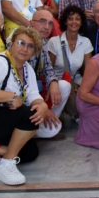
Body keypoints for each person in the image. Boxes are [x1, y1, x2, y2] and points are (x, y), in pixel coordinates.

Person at [0, 27, 57, 185]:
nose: (24, 49)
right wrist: (11, 97)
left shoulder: (27, 68)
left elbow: (34, 95)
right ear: (12, 43)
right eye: (21, 43)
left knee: (30, 153)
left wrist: (41, 106)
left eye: (30, 46)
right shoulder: (0, 62)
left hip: (4, 122)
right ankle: (6, 163)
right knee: (29, 115)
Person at [28, 9, 72, 140]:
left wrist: (53, 83)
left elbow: (48, 69)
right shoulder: (24, 43)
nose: (46, 27)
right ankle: (28, 131)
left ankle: (43, 124)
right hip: (21, 99)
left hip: (36, 92)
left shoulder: (44, 43)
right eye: (42, 22)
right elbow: (22, 84)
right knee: (53, 130)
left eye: (50, 23)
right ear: (31, 23)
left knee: (63, 85)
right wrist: (42, 106)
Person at [47, 5, 93, 117]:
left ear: (82, 22)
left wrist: (85, 88)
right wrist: (56, 86)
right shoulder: (54, 41)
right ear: (65, 21)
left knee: (94, 89)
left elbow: (88, 71)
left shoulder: (85, 42)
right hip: (57, 81)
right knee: (67, 90)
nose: (74, 22)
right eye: (70, 18)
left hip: (74, 79)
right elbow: (48, 69)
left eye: (77, 19)